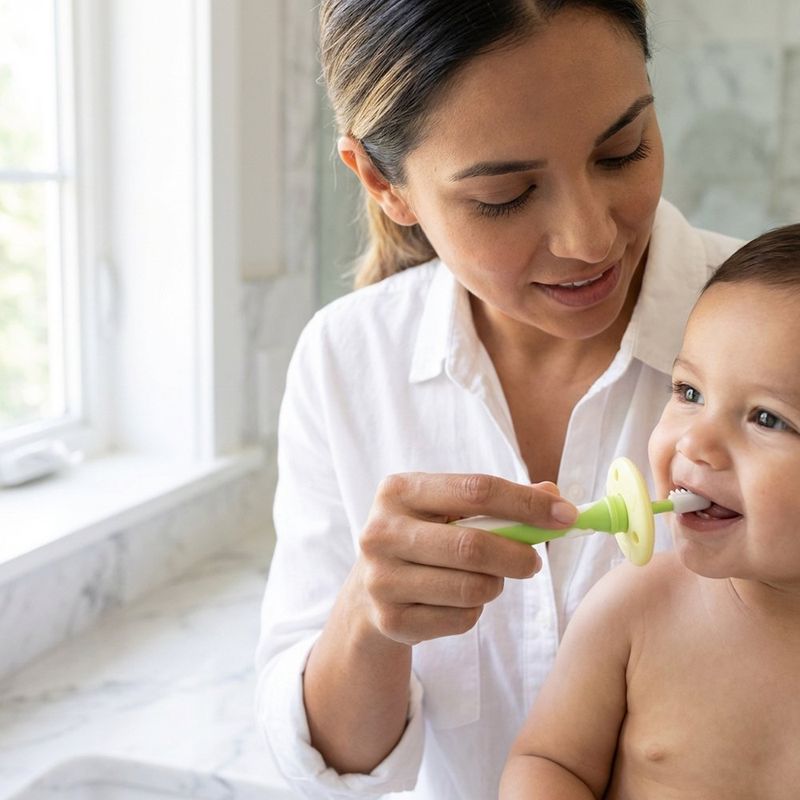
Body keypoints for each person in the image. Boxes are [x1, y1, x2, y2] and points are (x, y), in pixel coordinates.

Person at [255, 2, 742, 798]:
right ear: (384, 182)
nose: (589, 239)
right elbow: (331, 765)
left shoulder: (776, 337)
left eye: (623, 151)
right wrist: (370, 620)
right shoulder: (346, 361)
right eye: (506, 196)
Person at [500, 224, 800, 799]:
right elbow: (547, 761)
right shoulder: (635, 608)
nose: (694, 445)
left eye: (766, 418)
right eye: (688, 392)